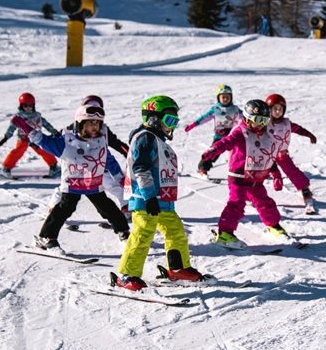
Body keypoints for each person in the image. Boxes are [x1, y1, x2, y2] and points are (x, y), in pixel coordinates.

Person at [115, 95, 205, 290]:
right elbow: (140, 168)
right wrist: (148, 196)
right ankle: (127, 275)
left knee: (175, 231)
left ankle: (178, 268)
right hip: (146, 199)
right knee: (142, 233)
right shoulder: (145, 138)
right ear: (153, 119)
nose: (172, 126)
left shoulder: (156, 139)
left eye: (175, 121)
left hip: (162, 201)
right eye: (169, 120)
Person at [13, 103, 130, 251]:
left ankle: (123, 231)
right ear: (80, 124)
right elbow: (44, 141)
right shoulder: (67, 142)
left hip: (93, 183)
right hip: (73, 184)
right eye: (91, 123)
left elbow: (108, 159)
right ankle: (47, 237)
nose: (95, 126)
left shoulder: (100, 141)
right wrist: (25, 127)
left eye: (97, 123)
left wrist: (120, 178)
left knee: (107, 208)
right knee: (64, 209)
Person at [201, 99, 292, 247]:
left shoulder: (266, 135)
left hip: (256, 179)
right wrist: (214, 150)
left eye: (265, 120)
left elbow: (269, 156)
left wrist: (276, 174)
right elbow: (226, 142)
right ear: (248, 118)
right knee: (236, 204)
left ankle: (273, 226)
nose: (261, 124)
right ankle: (224, 234)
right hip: (238, 177)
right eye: (258, 120)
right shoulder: (240, 132)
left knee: (265, 203)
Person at [48, 95, 129, 211]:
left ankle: (126, 207)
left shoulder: (103, 130)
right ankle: (54, 207)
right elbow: (54, 142)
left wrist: (128, 152)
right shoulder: (69, 130)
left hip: (98, 167)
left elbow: (116, 143)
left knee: (114, 185)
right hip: (77, 168)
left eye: (97, 109)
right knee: (66, 189)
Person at [264, 93, 318, 213]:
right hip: (266, 155)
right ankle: (249, 193)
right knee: (259, 173)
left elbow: (298, 129)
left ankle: (305, 190)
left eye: (280, 109)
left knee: (292, 171)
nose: (277, 111)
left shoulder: (286, 124)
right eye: (274, 109)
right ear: (268, 110)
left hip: (281, 154)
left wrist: (309, 135)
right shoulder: (264, 124)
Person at [0, 92, 60, 178]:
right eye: (25, 106)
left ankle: (53, 165)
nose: (28, 108)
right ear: (21, 106)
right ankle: (6, 168)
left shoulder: (37, 116)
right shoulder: (19, 117)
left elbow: (46, 124)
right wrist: (6, 137)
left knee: (43, 150)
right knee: (17, 152)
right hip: (23, 139)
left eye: (30, 105)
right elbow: (11, 128)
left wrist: (54, 132)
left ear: (33, 106)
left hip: (36, 138)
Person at [184, 85, 242, 175]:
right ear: (218, 98)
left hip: (232, 137)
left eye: (228, 97)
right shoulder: (215, 109)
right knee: (213, 153)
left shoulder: (235, 109)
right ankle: (203, 169)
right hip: (219, 136)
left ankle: (239, 169)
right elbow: (204, 118)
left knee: (239, 152)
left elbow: (245, 118)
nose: (225, 99)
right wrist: (193, 125)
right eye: (223, 97)